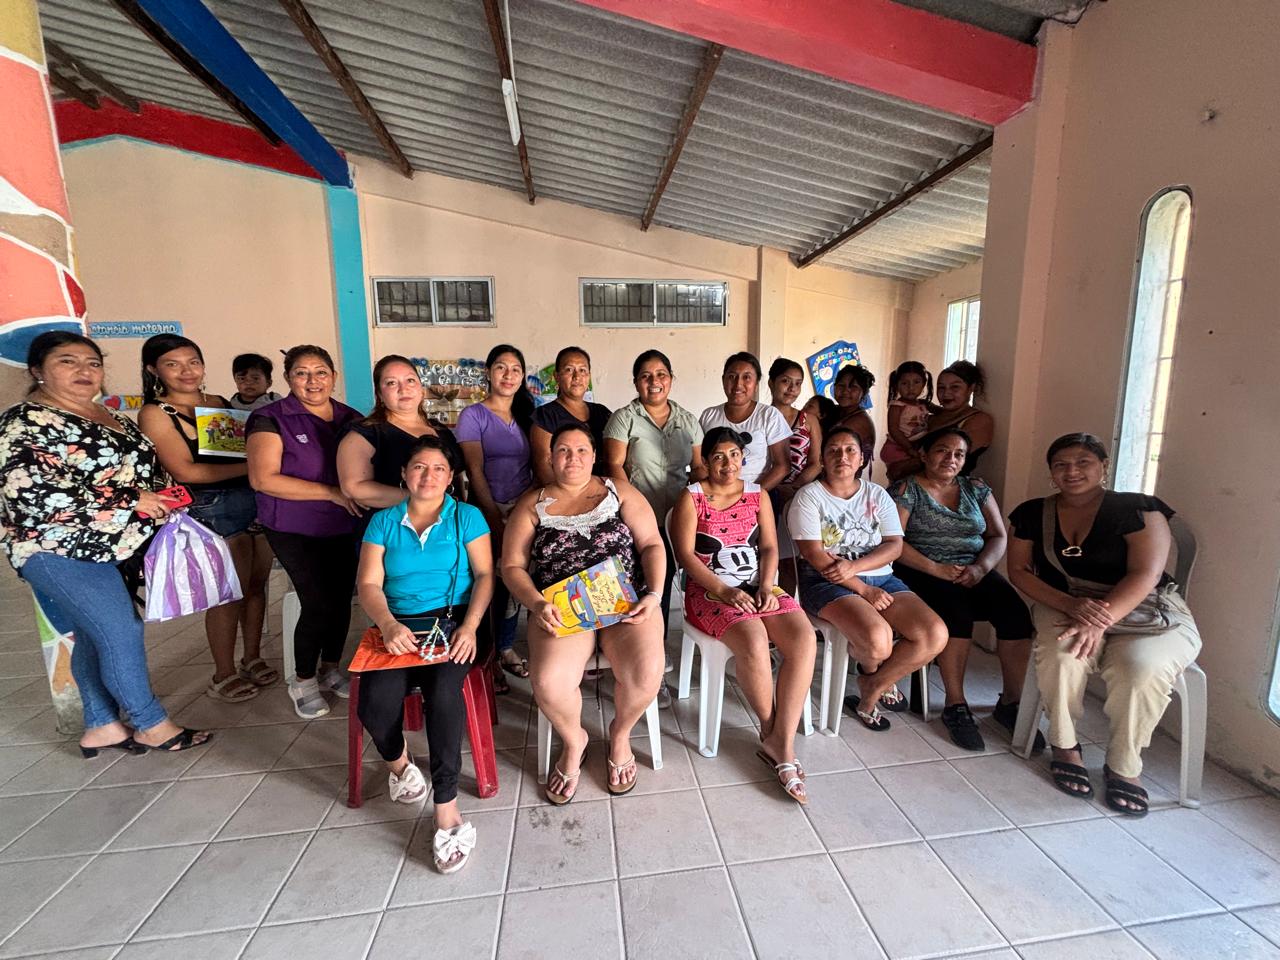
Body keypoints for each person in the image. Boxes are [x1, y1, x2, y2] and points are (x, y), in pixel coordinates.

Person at [0, 332, 211, 755]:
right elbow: (35, 494)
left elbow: (141, 469)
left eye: (92, 363)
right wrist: (133, 500)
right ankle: (151, 723)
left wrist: (164, 498)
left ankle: (101, 725)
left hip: (113, 547)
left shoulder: (108, 414)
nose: (84, 371)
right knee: (120, 631)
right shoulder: (24, 422)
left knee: (92, 633)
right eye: (67, 361)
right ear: (38, 370)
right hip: (56, 548)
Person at [1007, 433, 1201, 817]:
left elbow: (1146, 574)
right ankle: (1065, 745)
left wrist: (1101, 618)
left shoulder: (1138, 509)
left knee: (1141, 668)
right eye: (1061, 465)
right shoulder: (1031, 514)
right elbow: (1019, 571)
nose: (1072, 471)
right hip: (1064, 600)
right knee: (1063, 656)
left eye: (1083, 462)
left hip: (1144, 606)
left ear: (1103, 467)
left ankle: (1125, 764)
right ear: (1051, 472)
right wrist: (1072, 605)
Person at [502, 425, 665, 803]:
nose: (572, 458)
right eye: (563, 450)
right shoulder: (531, 504)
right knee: (548, 681)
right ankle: (575, 740)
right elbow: (511, 567)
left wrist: (654, 594)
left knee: (647, 671)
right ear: (550, 457)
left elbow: (652, 544)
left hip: (625, 603)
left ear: (594, 456)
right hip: (562, 609)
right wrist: (537, 603)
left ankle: (620, 735)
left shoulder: (619, 492)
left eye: (580, 450)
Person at [355, 436, 491, 873]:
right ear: (404, 474)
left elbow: (486, 575)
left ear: (451, 478)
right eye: (418, 467)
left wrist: (470, 626)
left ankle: (446, 807)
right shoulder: (383, 522)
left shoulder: (467, 517)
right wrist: (387, 624)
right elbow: (369, 584)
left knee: (443, 696)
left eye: (438, 468)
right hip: (397, 624)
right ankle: (399, 765)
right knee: (375, 703)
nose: (428, 476)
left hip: (454, 621)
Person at [671, 428, 816, 804]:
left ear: (743, 458)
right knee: (753, 639)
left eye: (734, 455)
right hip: (710, 591)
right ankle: (774, 735)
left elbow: (769, 547)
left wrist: (767, 585)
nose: (728, 463)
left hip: (758, 585)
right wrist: (725, 591)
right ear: (706, 462)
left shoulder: (758, 494)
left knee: (803, 638)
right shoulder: (692, 498)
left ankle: (780, 738)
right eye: (718, 456)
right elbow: (686, 556)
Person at [138, 335, 277, 703]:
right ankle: (223, 672)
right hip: (211, 507)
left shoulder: (218, 403)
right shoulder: (155, 412)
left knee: (256, 585)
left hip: (253, 499)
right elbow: (186, 471)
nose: (187, 371)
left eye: (193, 362)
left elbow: (241, 449)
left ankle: (252, 657)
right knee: (226, 593)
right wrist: (257, 468)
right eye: (173, 364)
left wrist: (257, 471)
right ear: (153, 369)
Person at [790, 426, 948, 731]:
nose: (842, 456)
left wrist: (855, 566)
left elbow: (894, 546)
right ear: (822, 459)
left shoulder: (877, 494)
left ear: (862, 459)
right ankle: (876, 677)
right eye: (833, 450)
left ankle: (873, 684)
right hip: (826, 581)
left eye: (850, 450)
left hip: (881, 578)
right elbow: (813, 554)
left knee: (934, 634)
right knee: (878, 642)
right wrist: (862, 588)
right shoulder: (809, 497)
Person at [891, 428, 1036, 751]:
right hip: (921, 569)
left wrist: (982, 568)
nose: (951, 459)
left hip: (973, 568)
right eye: (942, 451)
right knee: (956, 613)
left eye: (959, 454)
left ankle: (1011, 702)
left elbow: (998, 536)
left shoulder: (977, 488)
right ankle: (955, 704)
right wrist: (936, 568)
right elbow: (894, 542)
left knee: (1014, 614)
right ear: (924, 454)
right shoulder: (906, 489)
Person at [247, 345, 362, 719]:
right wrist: (330, 492)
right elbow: (263, 479)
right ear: (288, 378)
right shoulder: (271, 418)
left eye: (320, 372)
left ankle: (330, 668)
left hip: (344, 523)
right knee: (317, 601)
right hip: (292, 526)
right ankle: (303, 679)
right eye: (301, 373)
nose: (312, 381)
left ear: (334, 376)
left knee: (341, 599)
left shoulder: (350, 418)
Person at [603, 349, 705, 702]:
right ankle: (642, 664)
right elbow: (614, 467)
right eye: (645, 376)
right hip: (636, 519)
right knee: (643, 587)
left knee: (673, 585)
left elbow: (699, 469)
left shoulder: (688, 421)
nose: (654, 382)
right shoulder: (624, 419)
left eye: (661, 374)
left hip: (678, 518)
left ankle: (669, 658)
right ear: (636, 382)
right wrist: (634, 506)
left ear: (671, 379)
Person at [456, 345, 536, 687]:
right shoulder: (473, 415)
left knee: (517, 581)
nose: (508, 375)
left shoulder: (528, 415)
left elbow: (537, 466)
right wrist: (493, 517)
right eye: (501, 367)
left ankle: (505, 648)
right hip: (485, 510)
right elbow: (474, 470)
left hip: (524, 510)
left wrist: (523, 514)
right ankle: (487, 659)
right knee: (489, 584)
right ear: (488, 372)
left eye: (515, 369)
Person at [336, 354, 461, 541]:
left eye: (410, 380)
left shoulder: (441, 431)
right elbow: (353, 488)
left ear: (421, 388)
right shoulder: (366, 432)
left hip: (446, 531)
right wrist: (424, 499)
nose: (404, 388)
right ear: (380, 394)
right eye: (391, 383)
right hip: (391, 535)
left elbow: (455, 478)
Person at [699, 352, 791, 490]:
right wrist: (714, 494)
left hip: (758, 494)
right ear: (723, 380)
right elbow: (700, 462)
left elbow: (783, 466)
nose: (738, 384)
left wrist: (750, 496)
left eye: (746, 377)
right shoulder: (709, 416)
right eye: (732, 376)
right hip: (717, 495)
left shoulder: (769, 415)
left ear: (756, 383)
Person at [530, 346, 611, 485]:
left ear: (589, 376)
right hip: (562, 492)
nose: (577, 377)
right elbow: (543, 465)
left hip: (601, 490)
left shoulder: (602, 413)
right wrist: (567, 496)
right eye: (569, 370)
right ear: (556, 376)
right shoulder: (546, 415)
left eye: (582, 370)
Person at [923, 360, 994, 477]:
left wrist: (903, 466)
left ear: (971, 388)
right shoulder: (932, 418)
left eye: (955, 387)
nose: (946, 393)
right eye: (941, 387)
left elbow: (945, 458)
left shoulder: (979, 420)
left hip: (949, 486)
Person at [767, 357, 824, 500]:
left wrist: (794, 488)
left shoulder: (809, 420)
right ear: (771, 383)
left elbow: (816, 463)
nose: (792, 388)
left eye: (798, 383)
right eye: (785, 381)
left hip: (798, 495)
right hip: (763, 492)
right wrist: (772, 489)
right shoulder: (760, 418)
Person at [882, 360, 933, 483]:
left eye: (916, 382)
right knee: (901, 481)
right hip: (898, 448)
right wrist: (909, 448)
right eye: (904, 383)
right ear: (897, 385)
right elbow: (893, 429)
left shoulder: (923, 404)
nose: (911, 387)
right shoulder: (897, 405)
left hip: (914, 447)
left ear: (924, 384)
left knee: (914, 481)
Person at [828, 364, 877, 473]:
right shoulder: (836, 411)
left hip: (842, 478)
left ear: (863, 393)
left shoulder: (858, 422)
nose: (845, 391)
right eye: (841, 385)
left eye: (853, 387)